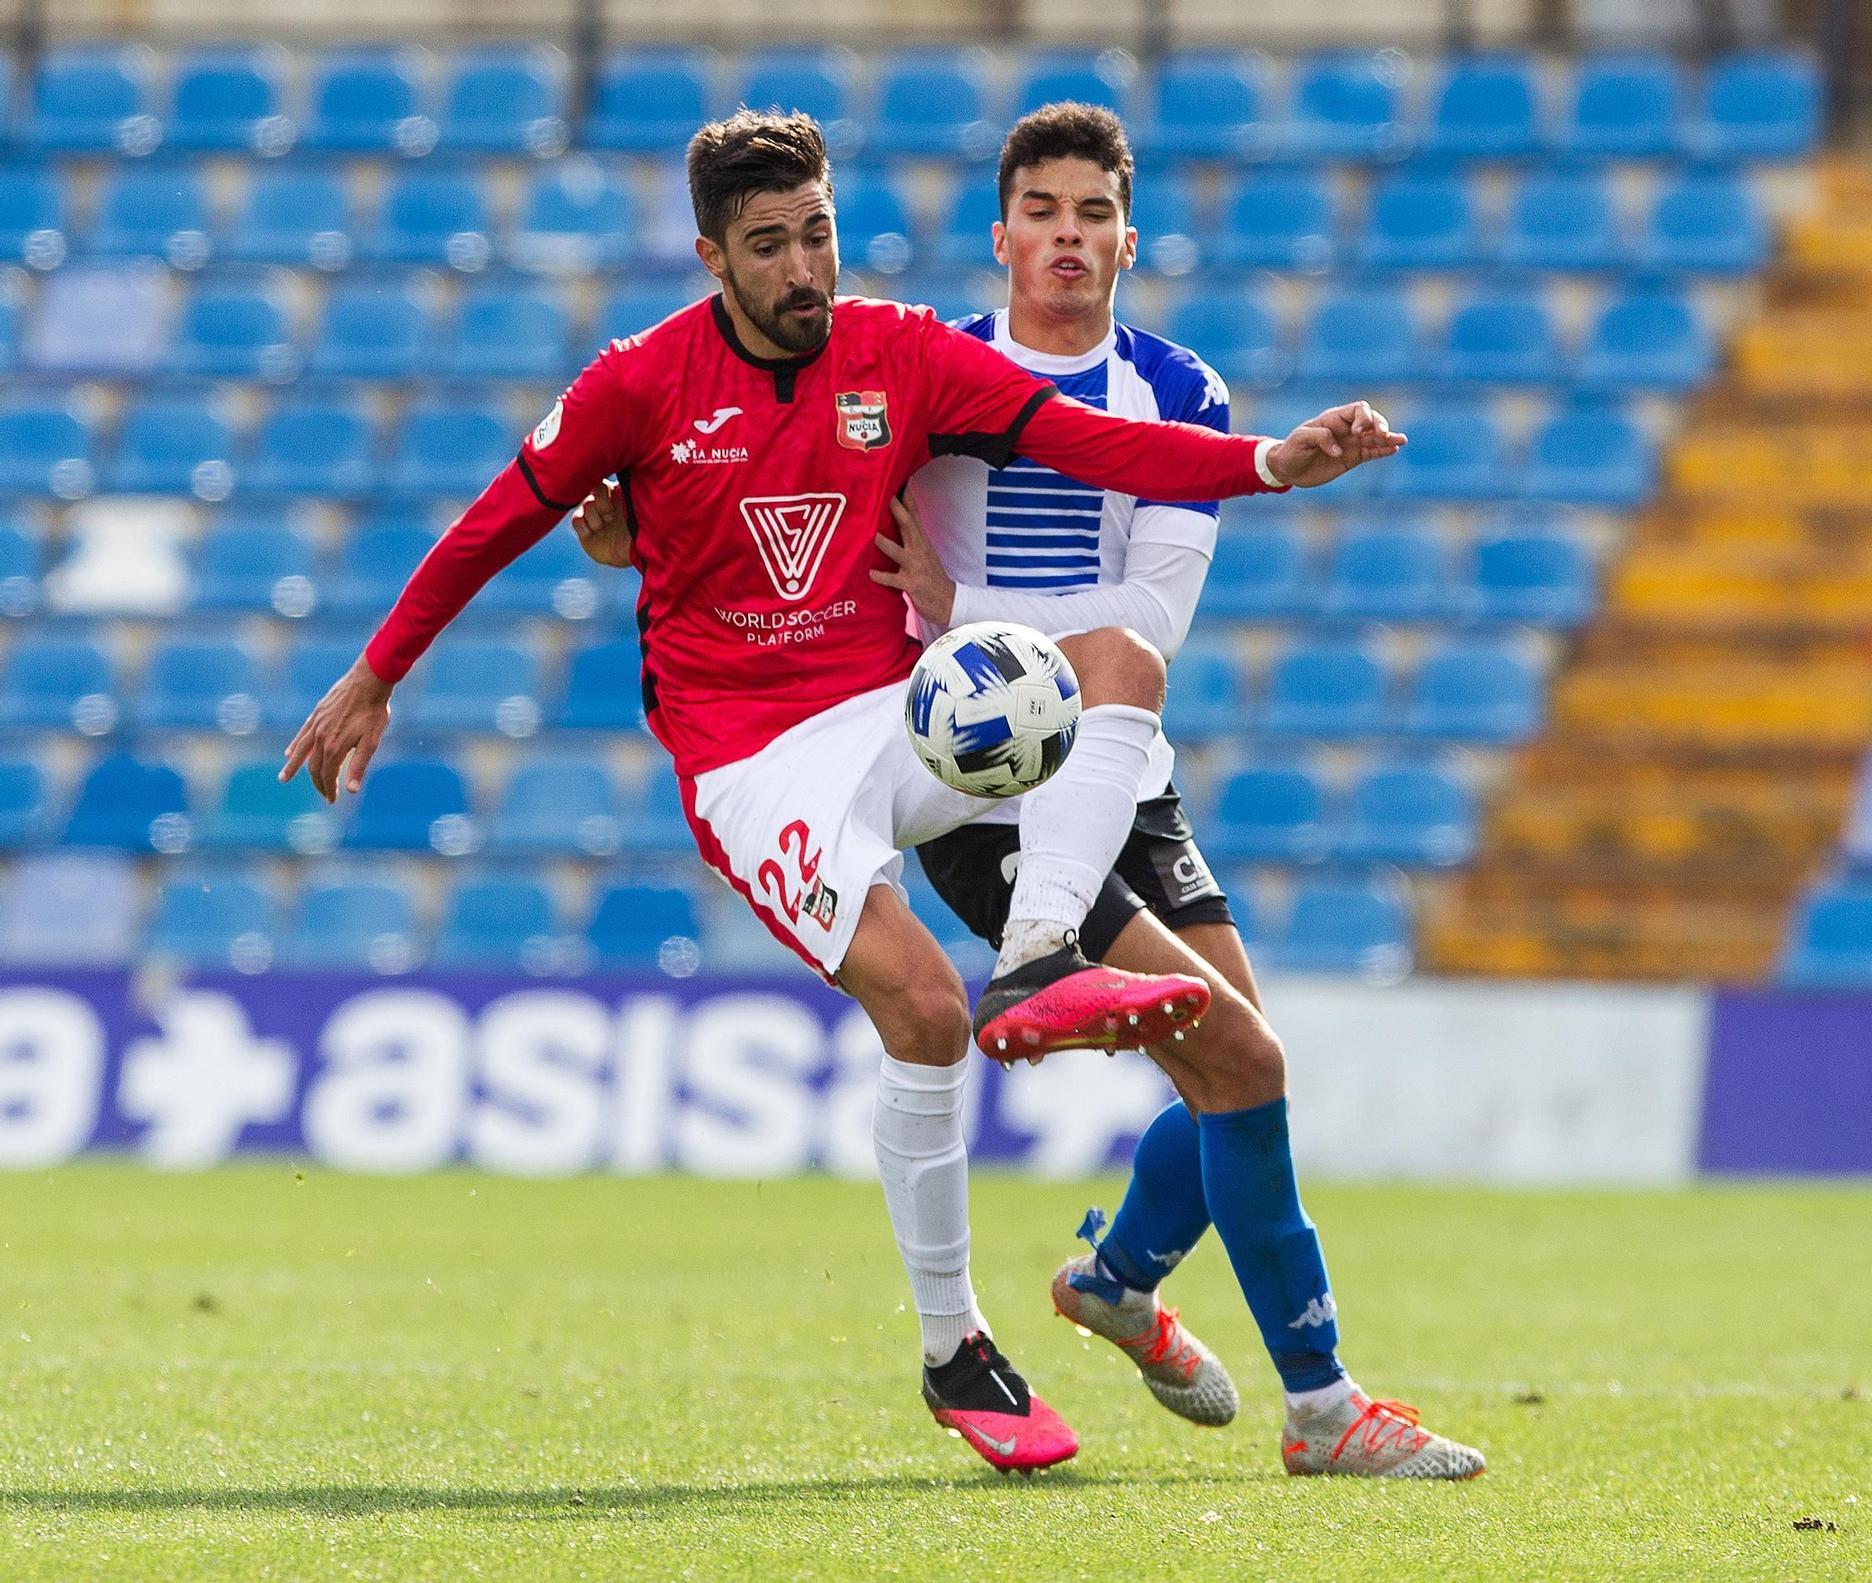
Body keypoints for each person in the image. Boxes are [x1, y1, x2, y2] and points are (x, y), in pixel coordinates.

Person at [284, 107, 1400, 1475]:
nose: (807, 269)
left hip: (892, 711)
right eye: (772, 248)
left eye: (818, 233)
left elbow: (1088, 445)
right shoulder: (640, 384)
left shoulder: (898, 348)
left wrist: (1267, 465)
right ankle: (955, 1350)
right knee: (923, 1012)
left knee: (1100, 664)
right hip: (750, 759)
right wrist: (376, 673)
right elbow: (492, 525)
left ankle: (1044, 952)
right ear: (714, 257)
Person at [575, 102, 1484, 1481]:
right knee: (1243, 1060)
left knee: (1241, 1071)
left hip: (1123, 762)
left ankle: (1115, 1284)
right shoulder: (924, 370)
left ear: (1131, 237)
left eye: (1094, 216)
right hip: (992, 784)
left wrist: (968, 608)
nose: (1069, 239)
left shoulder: (1179, 389)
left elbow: (1150, 622)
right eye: (1043, 215)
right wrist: (634, 524)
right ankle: (1323, 1406)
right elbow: (761, 488)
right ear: (1001, 236)